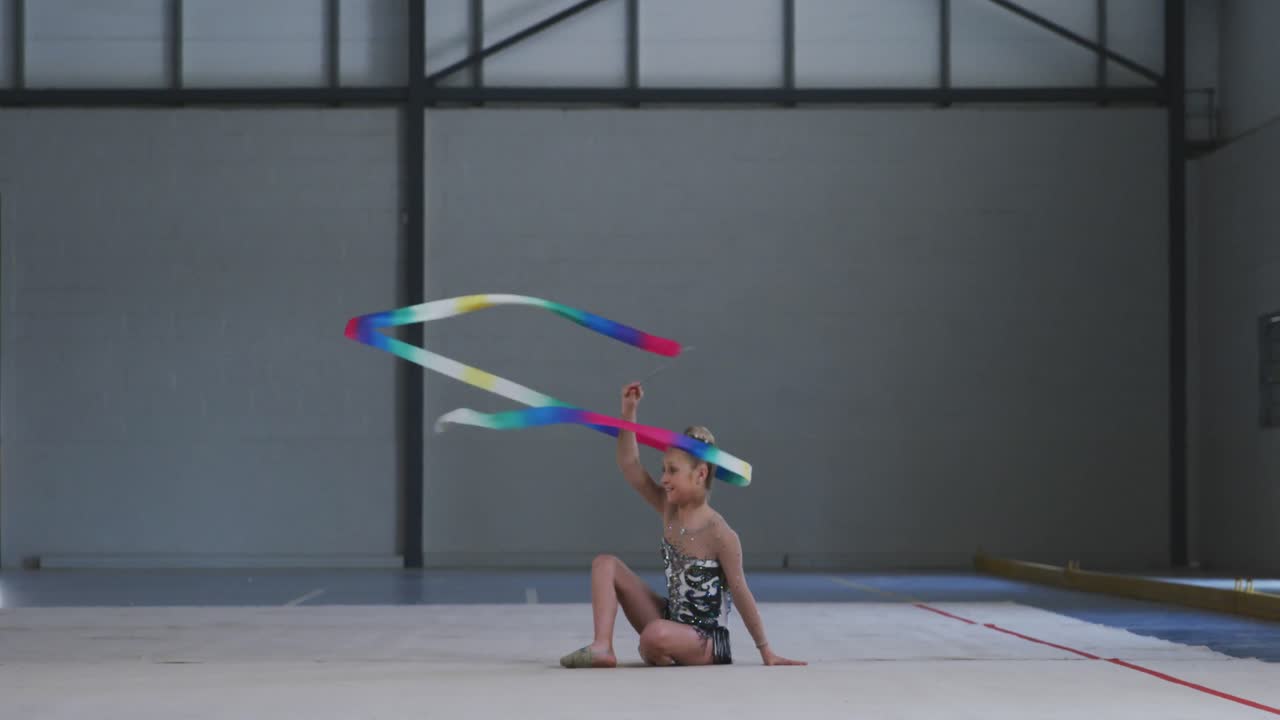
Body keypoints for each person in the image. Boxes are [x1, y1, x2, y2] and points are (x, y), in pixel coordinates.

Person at [559, 381, 806, 668]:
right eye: (663, 469)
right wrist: (628, 412)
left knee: (654, 634)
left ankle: (658, 648)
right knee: (605, 564)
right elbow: (630, 464)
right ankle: (603, 646)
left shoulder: (720, 533)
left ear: (700, 474)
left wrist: (766, 651)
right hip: (671, 621)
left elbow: (741, 593)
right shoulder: (669, 508)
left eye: (672, 471)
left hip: (708, 640)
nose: (663, 478)